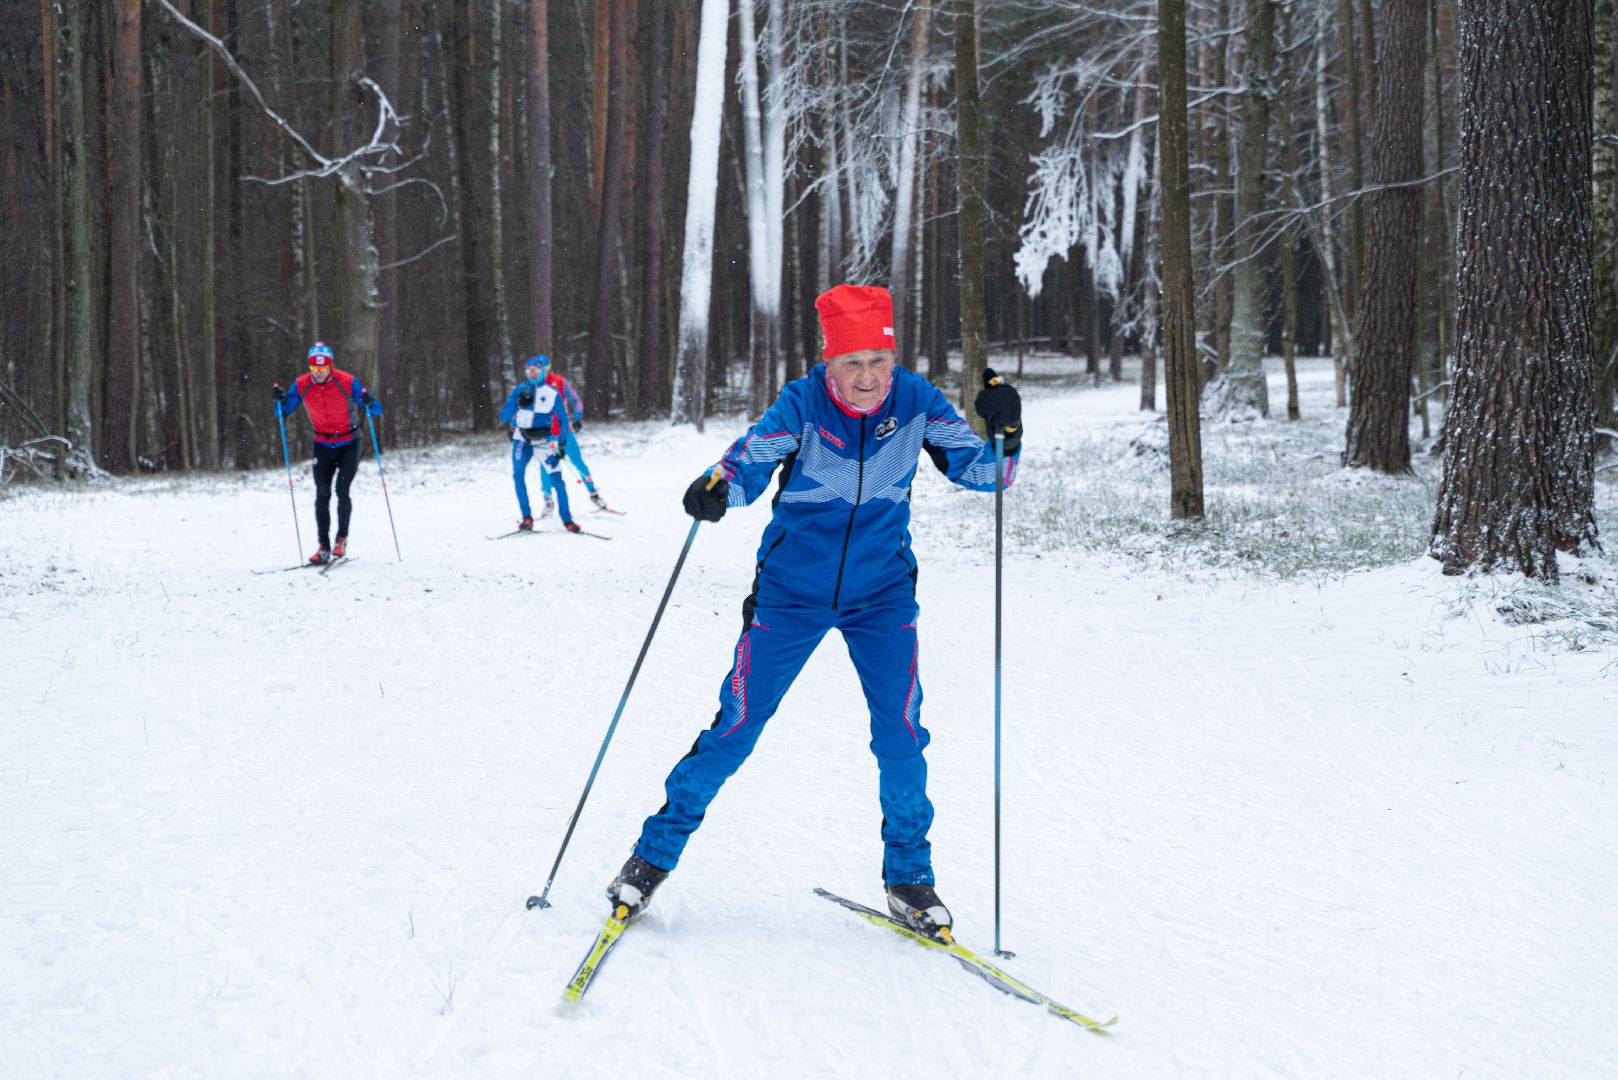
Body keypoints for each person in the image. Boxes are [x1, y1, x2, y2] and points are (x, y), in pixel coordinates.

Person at [605, 284, 1022, 938]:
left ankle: (909, 877)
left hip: (881, 596)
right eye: (852, 363)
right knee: (737, 727)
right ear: (830, 363)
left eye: (878, 361)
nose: (867, 377)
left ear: (894, 358)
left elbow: (988, 475)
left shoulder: (917, 401)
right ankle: (651, 858)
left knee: (901, 735)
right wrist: (717, 488)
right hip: (790, 594)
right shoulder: (801, 404)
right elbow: (747, 465)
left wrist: (1007, 433)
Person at [273, 342, 384, 563]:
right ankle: (323, 547)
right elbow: (283, 412)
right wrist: (279, 399)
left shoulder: (346, 381)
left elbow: (377, 409)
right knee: (322, 493)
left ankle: (341, 540)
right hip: (322, 444)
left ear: (330, 366)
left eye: (323, 368)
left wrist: (368, 402)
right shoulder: (302, 384)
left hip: (349, 443)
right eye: (314, 368)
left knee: (342, 490)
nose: (319, 373)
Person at [499, 356, 583, 534]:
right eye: (529, 370)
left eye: (536, 370)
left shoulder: (552, 393)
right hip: (522, 441)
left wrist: (561, 443)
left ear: (543, 371)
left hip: (545, 442)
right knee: (518, 475)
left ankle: (567, 520)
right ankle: (527, 518)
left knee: (558, 481)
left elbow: (562, 419)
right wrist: (518, 403)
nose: (532, 373)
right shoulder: (519, 390)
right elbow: (503, 416)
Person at [528, 355, 609, 515]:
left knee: (578, 462)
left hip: (564, 432)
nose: (537, 373)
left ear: (547, 369)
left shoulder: (559, 381)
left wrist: (577, 418)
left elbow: (576, 400)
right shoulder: (532, 386)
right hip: (545, 433)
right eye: (535, 370)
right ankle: (548, 500)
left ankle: (594, 494)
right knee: (545, 466)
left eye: (541, 370)